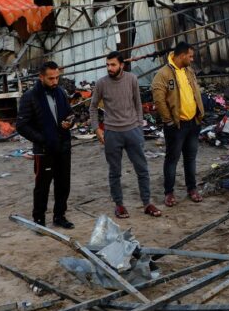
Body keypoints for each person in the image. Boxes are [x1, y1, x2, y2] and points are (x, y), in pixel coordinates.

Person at [90, 51, 162, 219]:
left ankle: (147, 203)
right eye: (107, 65)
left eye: (113, 64)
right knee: (115, 172)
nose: (109, 68)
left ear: (122, 65)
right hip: (112, 133)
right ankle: (119, 205)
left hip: (132, 132)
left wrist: (138, 126)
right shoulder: (102, 83)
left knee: (142, 169)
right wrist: (96, 128)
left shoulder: (132, 79)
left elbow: (138, 103)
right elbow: (93, 107)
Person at [16, 61, 75, 229]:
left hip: (63, 147)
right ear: (41, 77)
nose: (55, 81)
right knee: (42, 186)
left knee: (63, 184)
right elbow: (21, 125)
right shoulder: (30, 97)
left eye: (57, 77)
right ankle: (39, 219)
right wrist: (42, 139)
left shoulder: (61, 93)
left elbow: (70, 114)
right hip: (44, 150)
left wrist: (69, 122)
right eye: (51, 78)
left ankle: (60, 216)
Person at [152, 42, 205, 207]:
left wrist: (199, 114)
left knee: (190, 158)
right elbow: (159, 99)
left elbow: (195, 92)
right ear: (182, 56)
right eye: (190, 56)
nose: (192, 59)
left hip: (193, 123)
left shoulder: (189, 71)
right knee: (172, 159)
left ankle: (192, 189)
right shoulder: (163, 74)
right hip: (176, 126)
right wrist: (168, 120)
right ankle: (169, 193)